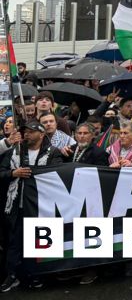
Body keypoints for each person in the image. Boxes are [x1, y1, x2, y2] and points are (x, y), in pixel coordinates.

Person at [0, 120, 64, 292]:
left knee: (39, 241)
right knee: (14, 242)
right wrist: (13, 173)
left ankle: (37, 275)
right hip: (16, 204)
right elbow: (1, 172)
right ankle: (12, 275)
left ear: (41, 134)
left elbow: (58, 174)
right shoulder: (14, 151)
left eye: (31, 131)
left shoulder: (53, 152)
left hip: (41, 205)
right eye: (25, 131)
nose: (26, 134)